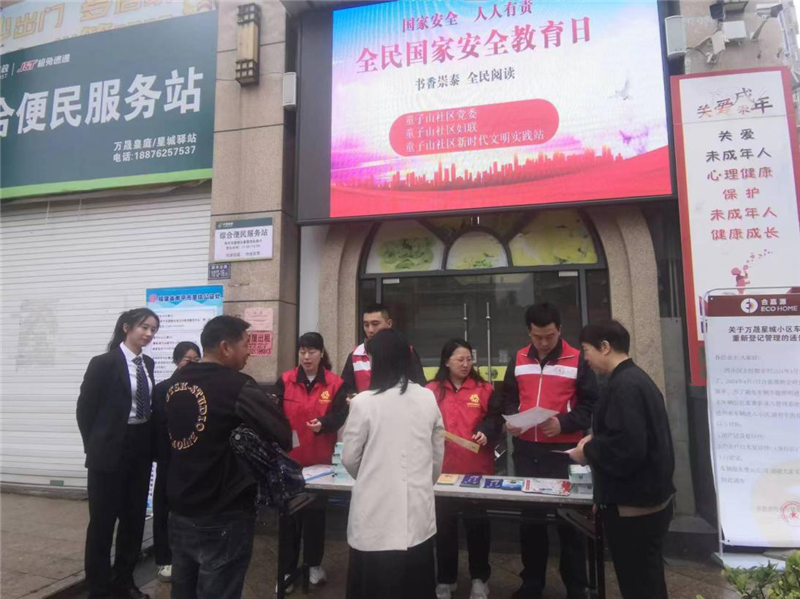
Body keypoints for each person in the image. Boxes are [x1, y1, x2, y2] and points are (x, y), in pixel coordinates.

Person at [166, 315, 291, 599]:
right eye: (246, 344)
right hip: (223, 510)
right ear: (225, 347)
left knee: (183, 590)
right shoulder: (238, 385)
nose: (249, 352)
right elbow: (282, 433)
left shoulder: (176, 381)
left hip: (180, 506)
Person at [569, 320, 675, 599]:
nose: (585, 358)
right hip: (649, 501)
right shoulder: (636, 379)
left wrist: (587, 452)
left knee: (639, 585)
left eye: (586, 350)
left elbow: (627, 448)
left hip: (635, 509)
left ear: (605, 347)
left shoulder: (624, 386)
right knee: (648, 580)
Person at [502, 302, 598, 599]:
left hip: (565, 453)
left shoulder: (578, 359)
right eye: (537, 337)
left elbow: (591, 405)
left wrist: (564, 423)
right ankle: (532, 583)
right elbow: (508, 397)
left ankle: (576, 586)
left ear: (559, 330)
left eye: (549, 336)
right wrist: (512, 419)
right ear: (528, 332)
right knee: (531, 521)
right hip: (527, 451)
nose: (543, 343)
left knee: (570, 522)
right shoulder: (519, 358)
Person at [342, 329, 445, 599]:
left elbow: (350, 458)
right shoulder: (427, 397)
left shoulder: (364, 403)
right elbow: (436, 455)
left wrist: (372, 476)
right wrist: (420, 482)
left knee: (373, 587)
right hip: (417, 514)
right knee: (416, 585)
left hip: (375, 516)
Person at [76, 308, 161, 599]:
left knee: (133, 519)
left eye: (153, 329)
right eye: (144, 327)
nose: (148, 334)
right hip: (109, 450)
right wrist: (95, 445)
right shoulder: (104, 363)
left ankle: (124, 581)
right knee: (102, 522)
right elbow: (85, 409)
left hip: (140, 447)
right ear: (127, 327)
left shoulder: (147, 363)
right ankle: (98, 588)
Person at [426, 339, 503, 599]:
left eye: (469, 359)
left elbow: (495, 419)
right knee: (444, 528)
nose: (465, 364)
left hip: (476, 471)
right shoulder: (431, 390)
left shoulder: (484, 389)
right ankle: (445, 579)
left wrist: (486, 431)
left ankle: (480, 578)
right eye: (460, 359)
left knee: (477, 527)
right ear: (446, 361)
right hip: (442, 472)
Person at [275, 332, 348, 589]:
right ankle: (286, 571)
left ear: (321, 353)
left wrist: (324, 423)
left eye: (312, 351)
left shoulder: (335, 383)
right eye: (302, 351)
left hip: (320, 464)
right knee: (289, 519)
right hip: (290, 463)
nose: (306, 357)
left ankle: (314, 564)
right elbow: (274, 413)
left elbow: (341, 414)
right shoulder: (285, 380)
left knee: (315, 518)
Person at [151, 341, 201, 583]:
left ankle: (192, 558)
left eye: (196, 360)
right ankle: (164, 559)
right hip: (168, 458)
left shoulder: (201, 390)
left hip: (194, 460)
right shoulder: (162, 389)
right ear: (176, 360)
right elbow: (160, 423)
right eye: (187, 359)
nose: (191, 364)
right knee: (163, 508)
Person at [341, 302, 427, 395]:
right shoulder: (355, 356)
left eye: (375, 324)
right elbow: (346, 391)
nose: (370, 330)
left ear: (389, 323)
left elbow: (420, 387)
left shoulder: (407, 352)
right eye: (366, 325)